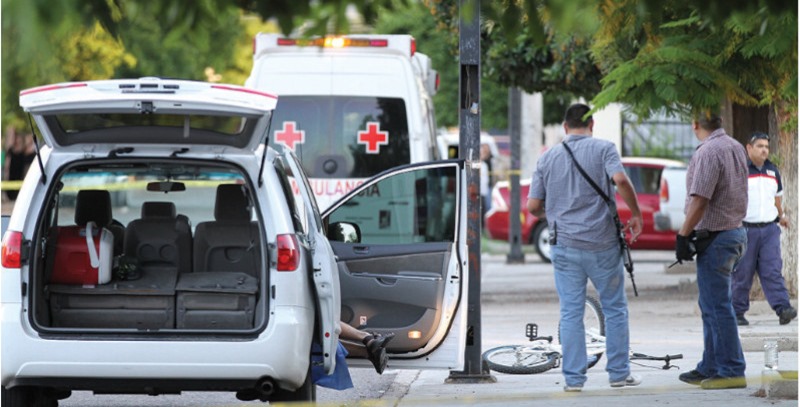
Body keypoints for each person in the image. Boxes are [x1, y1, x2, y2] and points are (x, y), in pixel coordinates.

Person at [527, 103, 643, 392]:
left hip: (564, 246)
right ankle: (618, 374)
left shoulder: (547, 158)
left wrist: (553, 215)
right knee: (615, 308)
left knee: (570, 312)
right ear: (591, 125)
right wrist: (636, 213)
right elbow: (620, 179)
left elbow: (532, 207)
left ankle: (574, 380)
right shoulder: (605, 149)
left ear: (565, 128)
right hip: (603, 243)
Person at [675, 110, 749, 390]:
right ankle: (711, 364)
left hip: (717, 238)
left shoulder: (708, 152)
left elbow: (700, 200)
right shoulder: (735, 146)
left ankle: (731, 369)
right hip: (735, 232)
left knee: (717, 307)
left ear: (695, 124)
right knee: (712, 306)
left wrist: (683, 235)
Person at [732, 132, 796, 326]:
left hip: (769, 229)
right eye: (759, 146)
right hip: (745, 229)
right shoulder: (740, 170)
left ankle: (783, 308)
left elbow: (777, 198)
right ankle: (737, 312)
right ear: (748, 148)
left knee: (772, 270)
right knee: (742, 272)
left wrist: (781, 216)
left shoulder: (772, 171)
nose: (764, 150)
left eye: (766, 147)